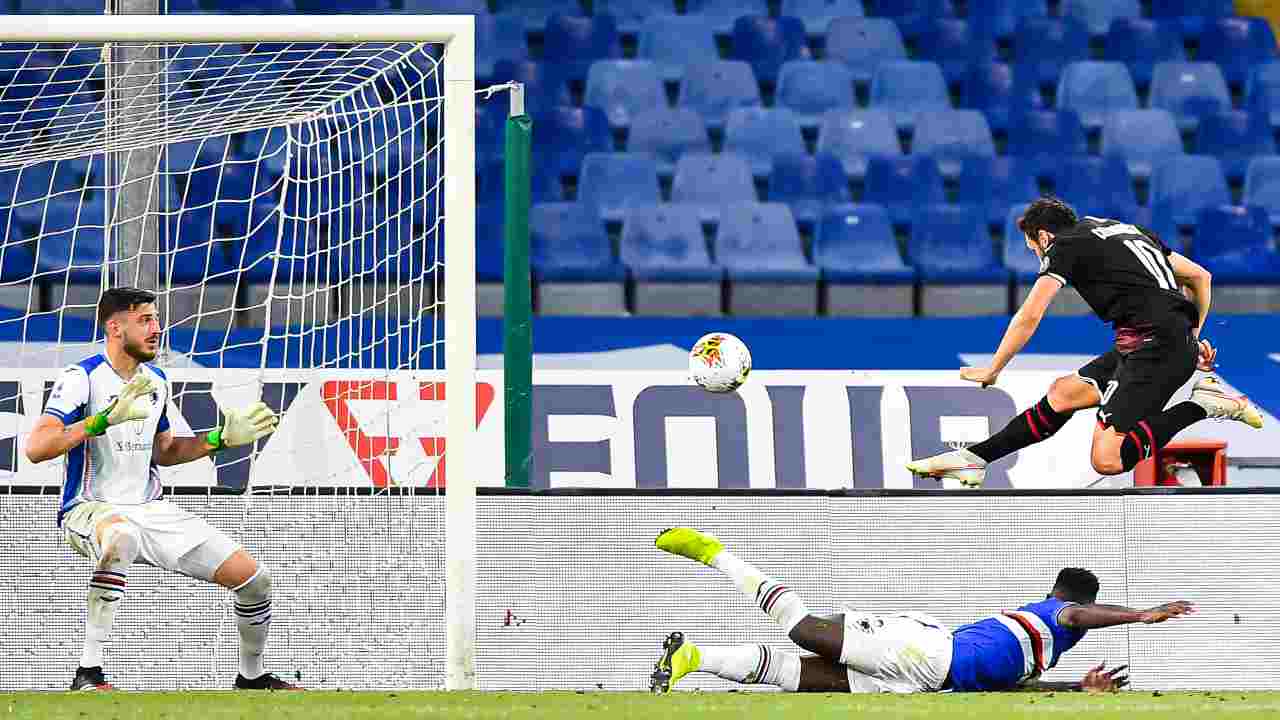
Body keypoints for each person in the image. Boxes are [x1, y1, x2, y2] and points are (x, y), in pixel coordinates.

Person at [25, 287, 297, 691]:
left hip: (149, 509)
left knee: (256, 580)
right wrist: (100, 421)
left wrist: (219, 438)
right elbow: (36, 448)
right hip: (89, 508)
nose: (157, 329)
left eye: (156, 319)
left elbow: (166, 451)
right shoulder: (80, 378)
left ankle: (251, 678)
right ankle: (88, 672)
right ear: (115, 328)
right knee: (120, 537)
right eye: (145, 320)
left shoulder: (156, 380)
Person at [906, 197, 1262, 488]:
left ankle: (1205, 404)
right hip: (1145, 342)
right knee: (1063, 394)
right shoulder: (1126, 230)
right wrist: (1191, 335)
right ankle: (975, 459)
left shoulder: (1064, 246)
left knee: (1107, 459)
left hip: (1154, 347)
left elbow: (1029, 316)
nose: (1038, 257)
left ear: (1043, 237)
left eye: (1033, 248)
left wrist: (993, 368)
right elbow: (1200, 277)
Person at [649, 527, 1192, 694]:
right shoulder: (1060, 615)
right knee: (806, 631)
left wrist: (1074, 690)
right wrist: (1141, 616)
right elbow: (1078, 616)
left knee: (803, 678)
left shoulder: (1044, 652)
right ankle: (716, 554)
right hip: (929, 651)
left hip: (927, 683)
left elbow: (1012, 691)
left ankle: (694, 658)